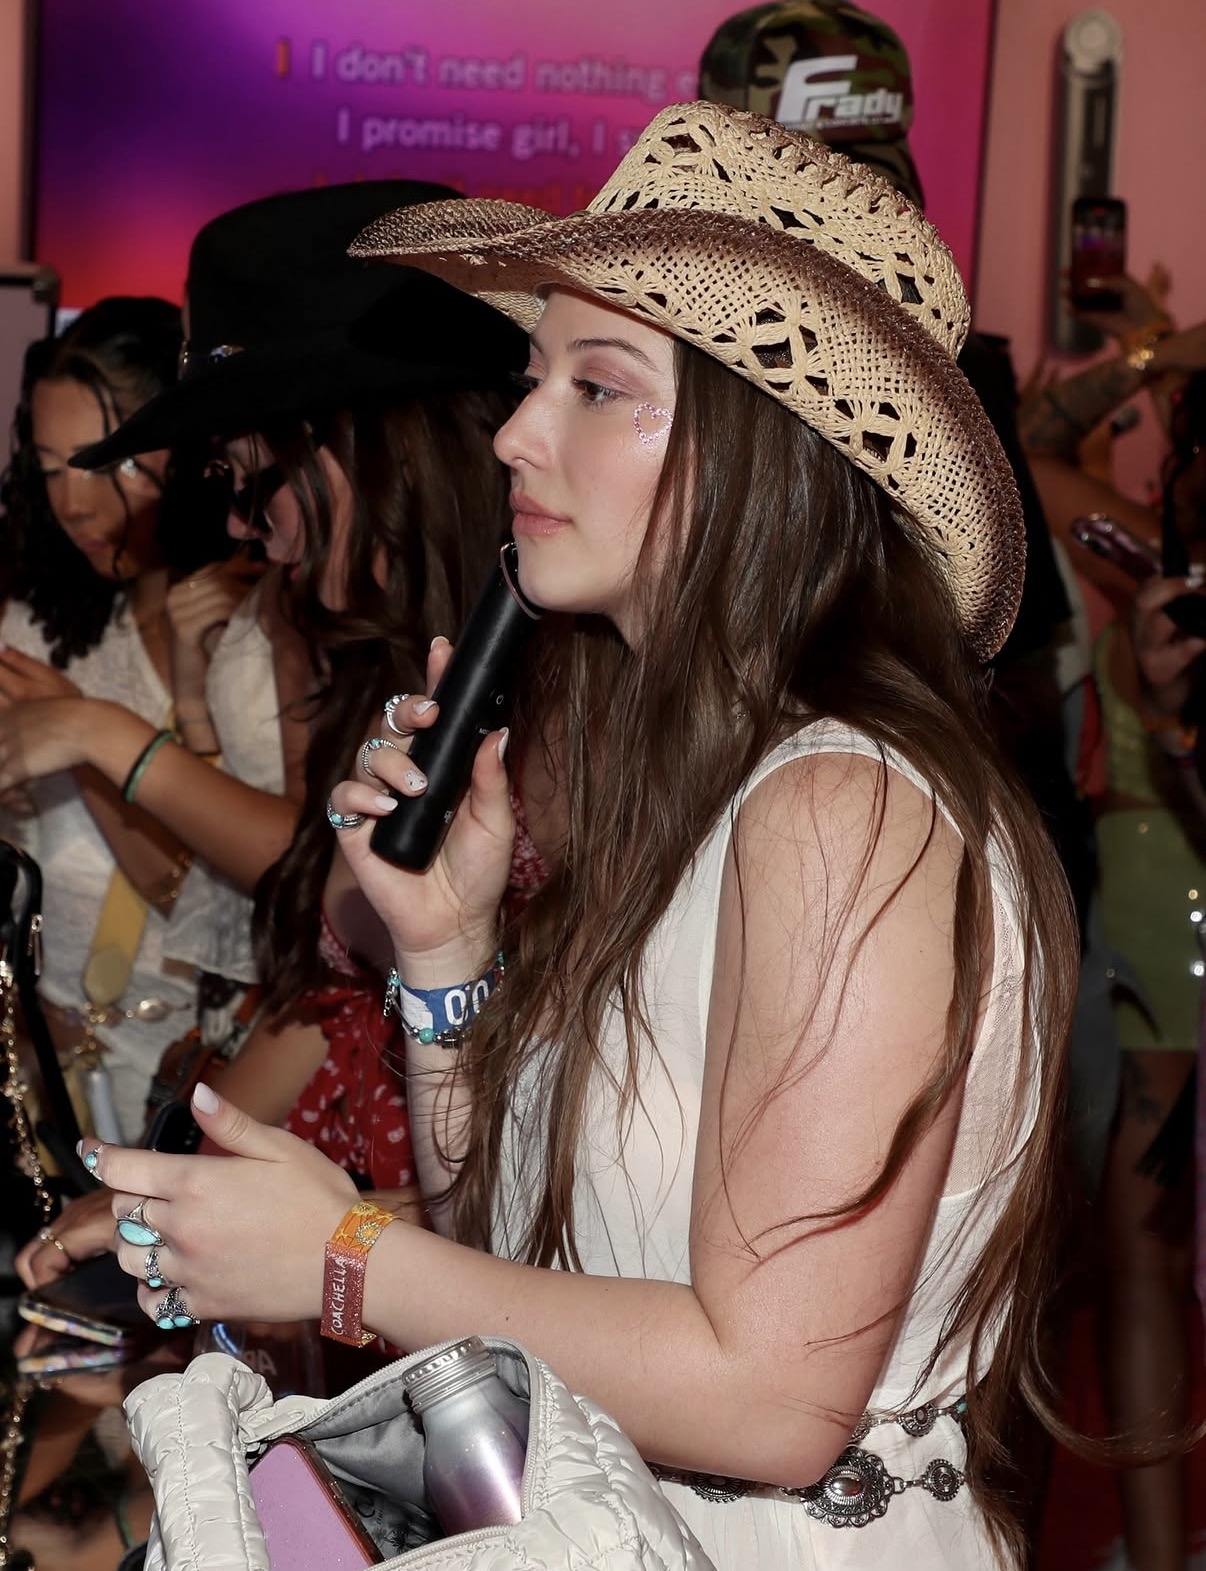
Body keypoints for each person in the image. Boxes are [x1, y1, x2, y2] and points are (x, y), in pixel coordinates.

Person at [93, 103, 1078, 1570]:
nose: (512, 430)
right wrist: (444, 954)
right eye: (531, 373)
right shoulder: (693, 784)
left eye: (598, 386)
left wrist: (346, 1259)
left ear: (763, 448)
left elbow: (770, 1389)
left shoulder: (841, 804)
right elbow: (520, 1254)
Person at [0, 297, 257, 1143]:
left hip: (195, 1091)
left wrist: (80, 739)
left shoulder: (244, 636)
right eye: (48, 467)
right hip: (40, 1082)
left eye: (98, 462)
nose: (70, 500)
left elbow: (245, 913)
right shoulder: (35, 635)